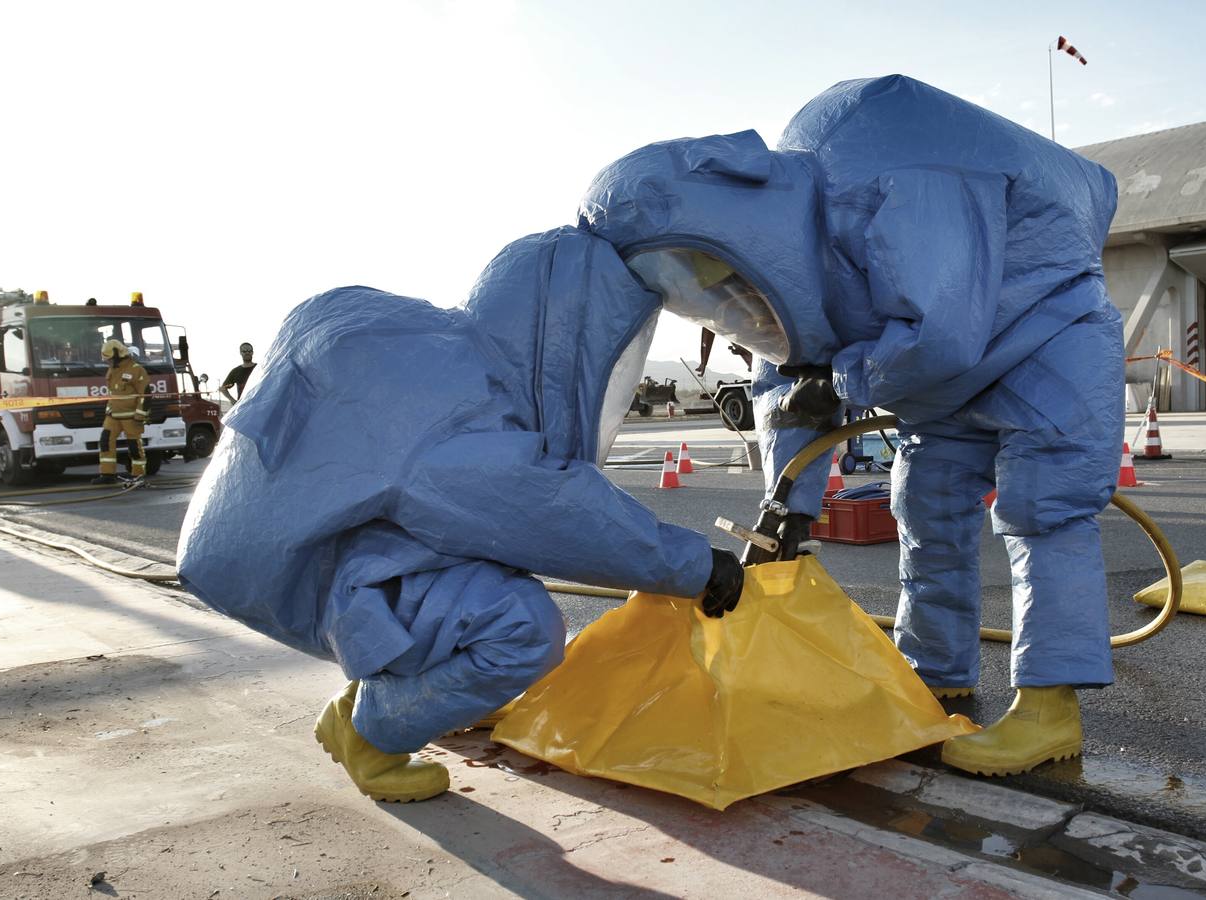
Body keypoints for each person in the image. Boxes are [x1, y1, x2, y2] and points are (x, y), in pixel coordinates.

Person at [580, 75, 1123, 777]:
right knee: (923, 508)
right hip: (937, 388)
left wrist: (841, 380)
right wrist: (787, 512)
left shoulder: (888, 174)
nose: (720, 291)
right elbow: (786, 360)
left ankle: (1049, 710)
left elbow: (941, 330)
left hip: (1044, 343)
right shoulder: (774, 254)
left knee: (1042, 514)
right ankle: (934, 671)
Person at [176, 227, 745, 803]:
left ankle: (374, 696)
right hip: (304, 566)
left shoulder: (433, 347)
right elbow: (555, 512)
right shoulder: (462, 421)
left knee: (472, 574)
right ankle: (372, 734)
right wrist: (697, 566)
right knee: (521, 627)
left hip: (286, 541)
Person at [93, 338, 151, 484]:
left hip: (132, 417)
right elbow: (113, 392)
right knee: (105, 441)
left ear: (118, 356)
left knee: (134, 446)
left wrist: (140, 414)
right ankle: (107, 474)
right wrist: (109, 409)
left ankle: (138, 474)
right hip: (113, 415)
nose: (108, 362)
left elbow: (145, 394)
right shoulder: (112, 370)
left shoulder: (137, 370)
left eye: (110, 359)